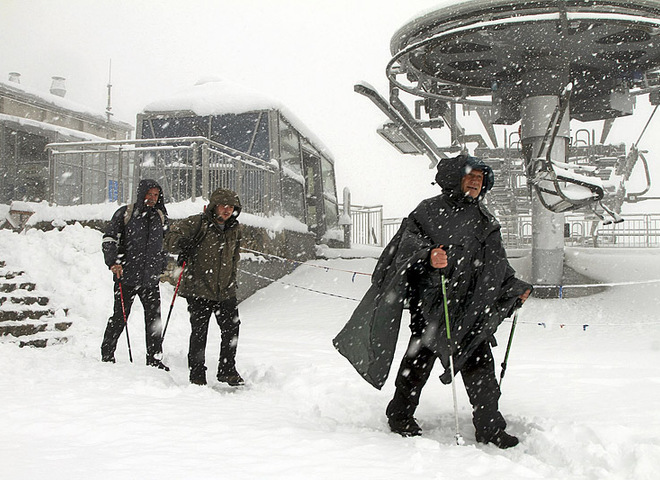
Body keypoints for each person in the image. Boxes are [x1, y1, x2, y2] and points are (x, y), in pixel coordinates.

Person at [334, 154, 532, 449]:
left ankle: (490, 428)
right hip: (431, 307)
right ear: (454, 179)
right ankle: (400, 416)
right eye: (470, 177)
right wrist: (427, 256)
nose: (476, 182)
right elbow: (404, 248)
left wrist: (513, 286)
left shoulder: (485, 220)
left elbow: (496, 264)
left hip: (469, 309)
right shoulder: (428, 212)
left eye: (480, 178)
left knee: (481, 369)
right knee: (416, 366)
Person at [164, 188, 244, 386]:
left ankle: (227, 369)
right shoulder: (197, 222)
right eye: (223, 206)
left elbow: (234, 258)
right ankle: (197, 373)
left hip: (225, 290)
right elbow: (170, 238)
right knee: (200, 331)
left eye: (231, 207)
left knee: (231, 328)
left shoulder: (235, 228)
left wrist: (231, 283)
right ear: (214, 206)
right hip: (198, 288)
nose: (227, 210)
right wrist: (182, 243)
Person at [101, 179, 169, 371]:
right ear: (141, 194)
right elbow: (109, 238)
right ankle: (107, 354)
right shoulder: (126, 213)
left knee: (154, 319)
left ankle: (154, 358)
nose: (152, 198)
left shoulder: (160, 216)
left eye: (156, 195)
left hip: (150, 279)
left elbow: (164, 245)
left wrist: (161, 265)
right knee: (120, 317)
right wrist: (114, 262)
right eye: (149, 194)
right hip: (126, 277)